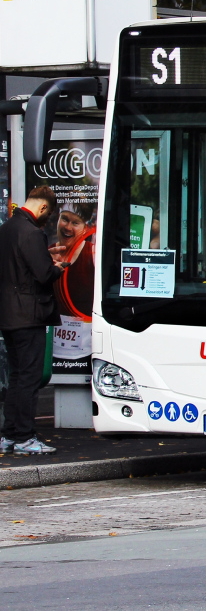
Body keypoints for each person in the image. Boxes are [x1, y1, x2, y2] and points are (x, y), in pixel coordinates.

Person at [0, 186, 68, 456]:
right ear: (42, 208)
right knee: (29, 378)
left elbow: (18, 266)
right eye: (49, 213)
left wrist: (43, 258)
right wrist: (59, 267)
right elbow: (43, 275)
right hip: (29, 315)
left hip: (8, 315)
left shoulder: (7, 229)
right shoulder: (32, 232)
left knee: (17, 377)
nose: (47, 218)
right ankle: (26, 437)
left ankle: (9, 435)